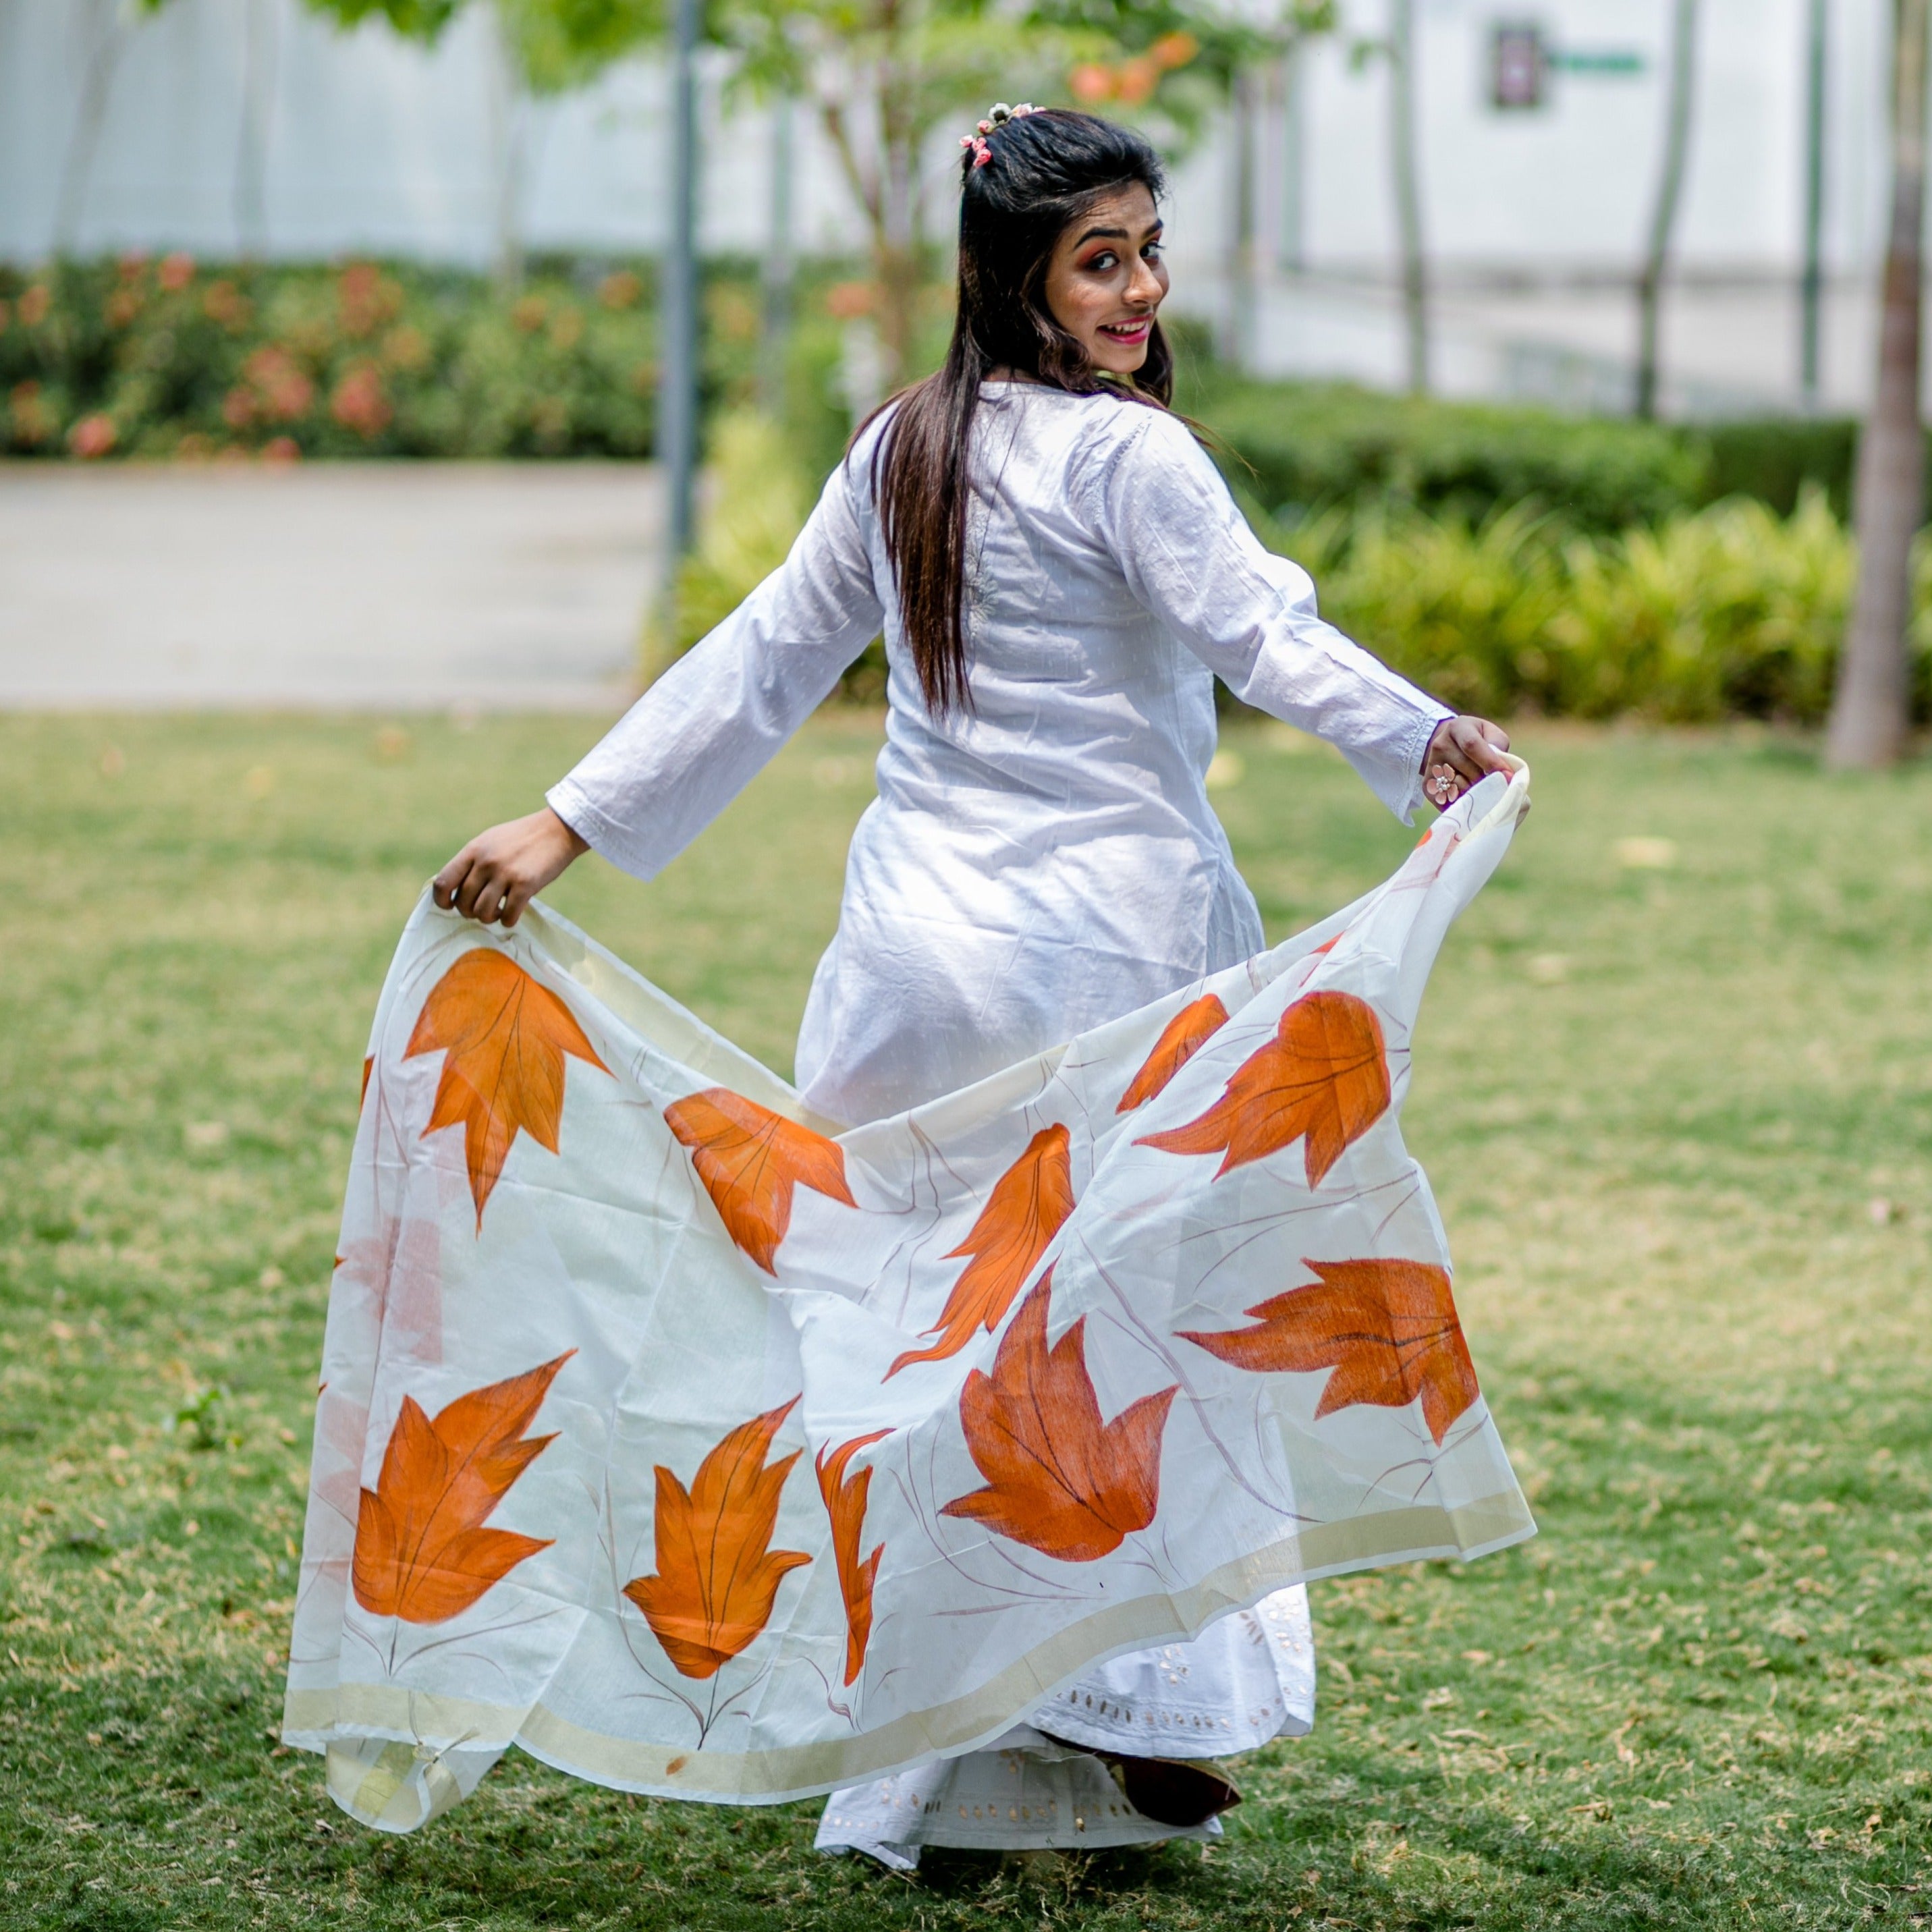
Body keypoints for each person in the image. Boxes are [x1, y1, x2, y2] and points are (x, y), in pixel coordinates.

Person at [430, 103, 1510, 1868]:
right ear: (1017, 273)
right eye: (1105, 258)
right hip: (1109, 953)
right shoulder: (1133, 463)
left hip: (915, 965)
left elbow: (764, 656)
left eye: (1150, 251)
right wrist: (1427, 743)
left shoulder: (903, 450)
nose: (1143, 289)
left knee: (912, 1344)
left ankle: (972, 1768)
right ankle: (1125, 1708)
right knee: (1139, 1334)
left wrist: (567, 823)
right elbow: (1265, 636)